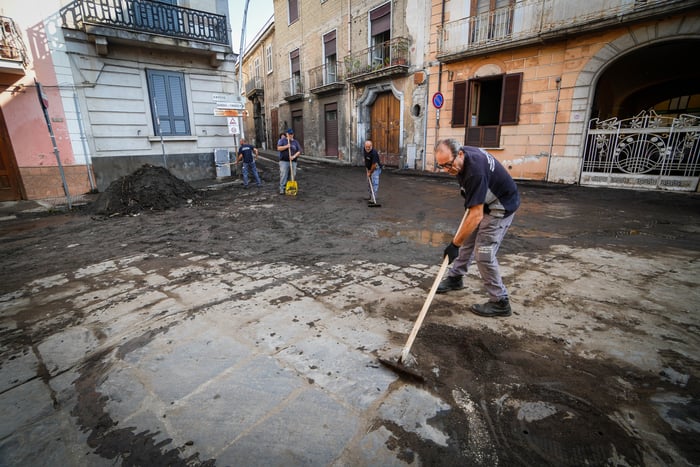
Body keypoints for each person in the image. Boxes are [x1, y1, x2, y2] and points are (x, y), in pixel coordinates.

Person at [433, 138, 520, 317]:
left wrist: (453, 245)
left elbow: (476, 214)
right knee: (467, 239)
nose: (448, 171)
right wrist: (460, 240)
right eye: (442, 166)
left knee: (484, 254)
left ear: (460, 154)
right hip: (485, 202)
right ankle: (456, 278)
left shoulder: (475, 172)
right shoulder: (463, 158)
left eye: (449, 165)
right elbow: (473, 206)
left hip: (500, 207)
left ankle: (500, 301)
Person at [276, 129, 301, 195]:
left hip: (293, 161)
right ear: (287, 134)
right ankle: (282, 188)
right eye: (289, 134)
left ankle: (289, 188)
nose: (291, 135)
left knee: (292, 175)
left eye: (292, 134)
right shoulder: (282, 141)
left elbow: (299, 151)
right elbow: (278, 148)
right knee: (283, 175)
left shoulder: (295, 142)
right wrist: (287, 146)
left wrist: (294, 156)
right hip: (284, 161)